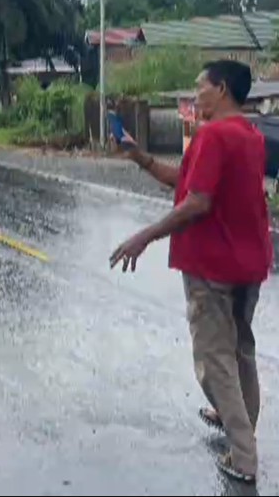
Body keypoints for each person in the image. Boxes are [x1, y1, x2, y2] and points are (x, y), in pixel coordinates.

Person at [109, 60, 271, 485]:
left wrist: (143, 236)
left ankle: (244, 457)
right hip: (247, 262)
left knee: (215, 361)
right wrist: (138, 155)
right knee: (240, 350)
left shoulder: (213, 134)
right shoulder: (248, 134)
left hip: (212, 265)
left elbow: (198, 202)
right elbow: (185, 181)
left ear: (221, 89)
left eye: (199, 87)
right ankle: (240, 423)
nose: (194, 95)